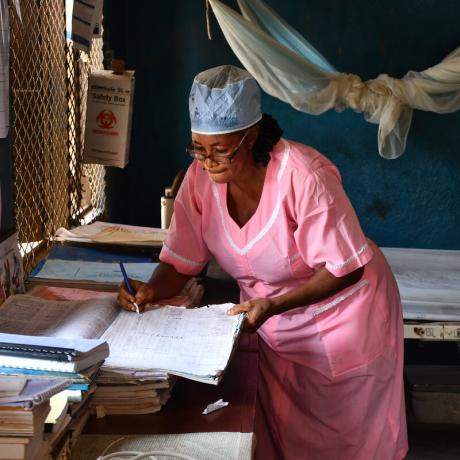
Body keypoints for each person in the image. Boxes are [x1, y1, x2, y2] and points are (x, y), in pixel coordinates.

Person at [118, 65, 408, 460]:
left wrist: (274, 305)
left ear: (250, 136)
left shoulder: (304, 176)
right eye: (198, 149)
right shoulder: (199, 181)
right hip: (274, 321)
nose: (208, 162)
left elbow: (346, 267)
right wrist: (152, 288)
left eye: (220, 149)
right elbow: (181, 260)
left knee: (347, 440)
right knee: (283, 432)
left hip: (344, 317)